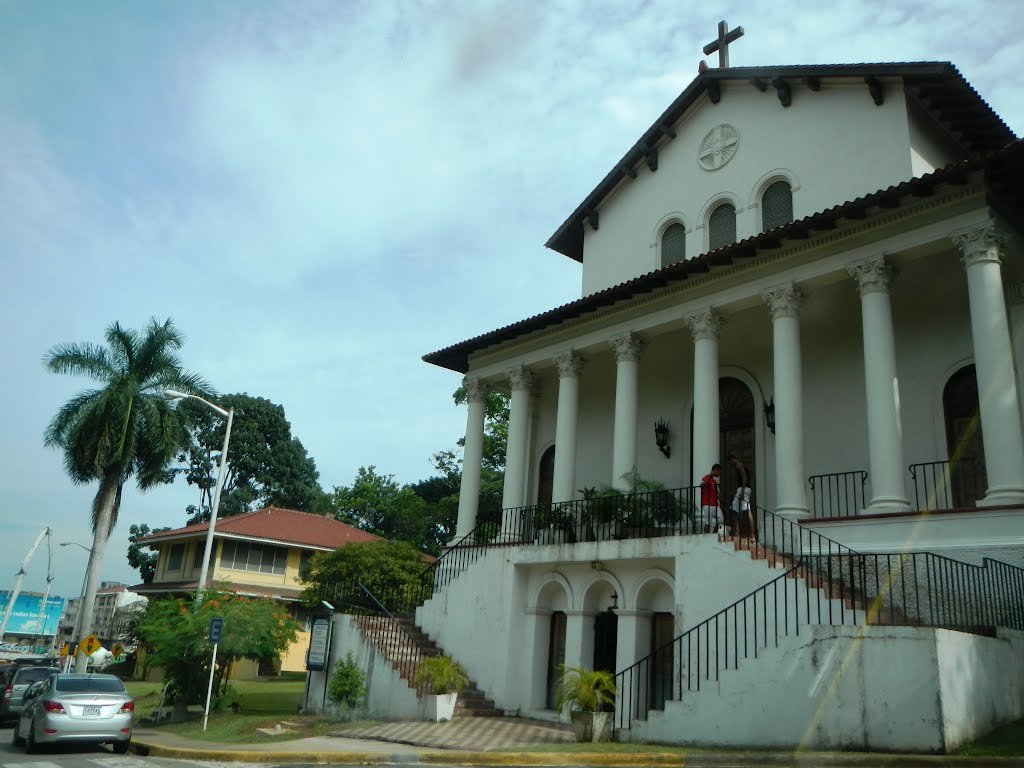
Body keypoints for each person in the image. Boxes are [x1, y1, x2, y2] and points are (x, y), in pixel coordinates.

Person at [727, 454, 755, 540]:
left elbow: (744, 477)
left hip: (742, 489)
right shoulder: (741, 465)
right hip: (746, 489)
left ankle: (744, 533)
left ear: (732, 460)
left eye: (729, 462)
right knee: (740, 509)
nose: (730, 464)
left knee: (737, 510)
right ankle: (746, 533)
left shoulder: (739, 465)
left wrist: (742, 491)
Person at [700, 463, 723, 534]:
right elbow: (701, 485)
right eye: (719, 472)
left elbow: (717, 492)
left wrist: (720, 498)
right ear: (715, 470)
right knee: (708, 521)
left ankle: (714, 534)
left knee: (721, 519)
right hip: (707, 503)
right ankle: (706, 537)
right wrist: (710, 477)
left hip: (715, 504)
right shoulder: (706, 477)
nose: (719, 474)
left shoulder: (715, 481)